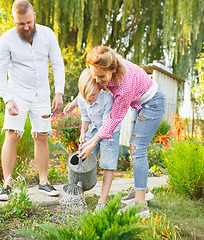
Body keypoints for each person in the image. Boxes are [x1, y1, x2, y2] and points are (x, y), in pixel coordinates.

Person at [64, 46, 166, 217]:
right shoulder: (104, 65)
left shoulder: (124, 86)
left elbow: (113, 121)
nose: (97, 80)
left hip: (153, 103)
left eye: (101, 77)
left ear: (113, 69)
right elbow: (89, 84)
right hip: (139, 101)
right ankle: (142, 190)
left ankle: (140, 206)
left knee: (136, 148)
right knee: (137, 148)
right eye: (94, 75)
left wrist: (93, 143)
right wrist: (76, 102)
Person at [0, 0, 65, 200]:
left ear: (34, 17)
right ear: (13, 19)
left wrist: (58, 92)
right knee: (12, 135)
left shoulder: (48, 34)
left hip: (42, 93)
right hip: (17, 94)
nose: (26, 27)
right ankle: (7, 184)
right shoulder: (6, 40)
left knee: (41, 136)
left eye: (29, 22)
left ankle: (43, 182)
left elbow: (58, 64)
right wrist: (8, 99)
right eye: (21, 24)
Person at [60, 69, 121, 210]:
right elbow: (85, 117)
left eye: (93, 94)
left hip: (110, 131)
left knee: (107, 165)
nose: (89, 98)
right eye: (86, 95)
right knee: (83, 159)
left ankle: (102, 202)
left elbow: (106, 128)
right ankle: (77, 195)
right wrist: (83, 132)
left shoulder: (107, 100)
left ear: (100, 87)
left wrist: (91, 144)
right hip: (93, 128)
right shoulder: (82, 98)